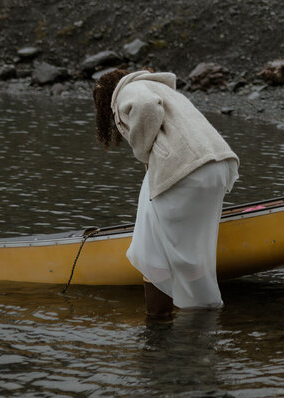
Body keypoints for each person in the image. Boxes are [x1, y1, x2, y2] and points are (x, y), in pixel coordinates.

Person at [94, 68, 240, 319]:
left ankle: (159, 322)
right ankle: (199, 318)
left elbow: (146, 106)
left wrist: (141, 149)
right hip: (217, 167)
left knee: (151, 250)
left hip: (187, 170)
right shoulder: (164, 89)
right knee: (191, 252)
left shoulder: (129, 90)